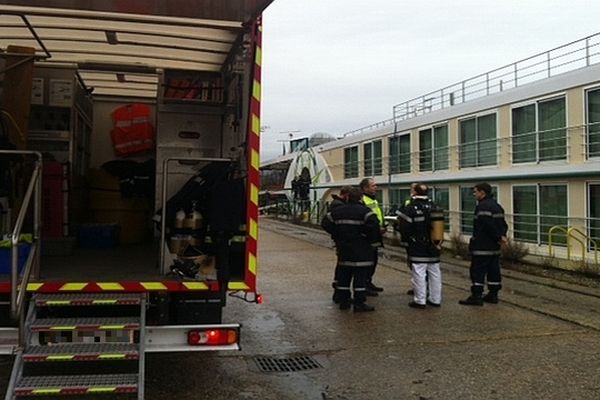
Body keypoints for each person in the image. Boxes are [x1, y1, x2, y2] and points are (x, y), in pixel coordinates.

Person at [321, 187, 380, 312]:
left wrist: (337, 234)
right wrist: (369, 241)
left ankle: (344, 301)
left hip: (344, 248)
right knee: (360, 277)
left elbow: (325, 223)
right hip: (362, 249)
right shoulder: (366, 212)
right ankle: (359, 303)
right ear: (360, 198)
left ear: (347, 197)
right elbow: (374, 228)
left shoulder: (338, 211)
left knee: (344, 275)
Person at [459, 182, 508, 306]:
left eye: (475, 192)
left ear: (482, 192)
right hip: (494, 246)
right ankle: (493, 294)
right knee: (493, 270)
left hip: (482, 245)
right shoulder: (497, 206)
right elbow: (503, 224)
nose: (474, 194)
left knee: (477, 270)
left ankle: (476, 296)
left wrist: (496, 236)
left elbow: (487, 225)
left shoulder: (482, 207)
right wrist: (501, 237)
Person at [397, 183, 442, 309]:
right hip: (434, 244)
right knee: (435, 272)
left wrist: (406, 240)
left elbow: (404, 228)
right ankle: (435, 299)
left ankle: (420, 300)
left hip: (417, 244)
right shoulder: (435, 206)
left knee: (419, 272)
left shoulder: (411, 208)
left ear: (415, 193)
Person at [359, 178, 385, 295]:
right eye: (373, 186)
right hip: (367, 236)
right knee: (368, 261)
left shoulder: (373, 200)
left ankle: (368, 282)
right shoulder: (363, 200)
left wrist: (382, 225)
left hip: (376, 234)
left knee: (373, 261)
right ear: (365, 188)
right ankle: (364, 285)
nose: (376, 187)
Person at [329, 186, 352, 303]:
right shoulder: (339, 206)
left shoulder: (336, 203)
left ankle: (340, 292)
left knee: (341, 265)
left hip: (340, 239)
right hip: (343, 240)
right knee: (342, 267)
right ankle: (340, 293)